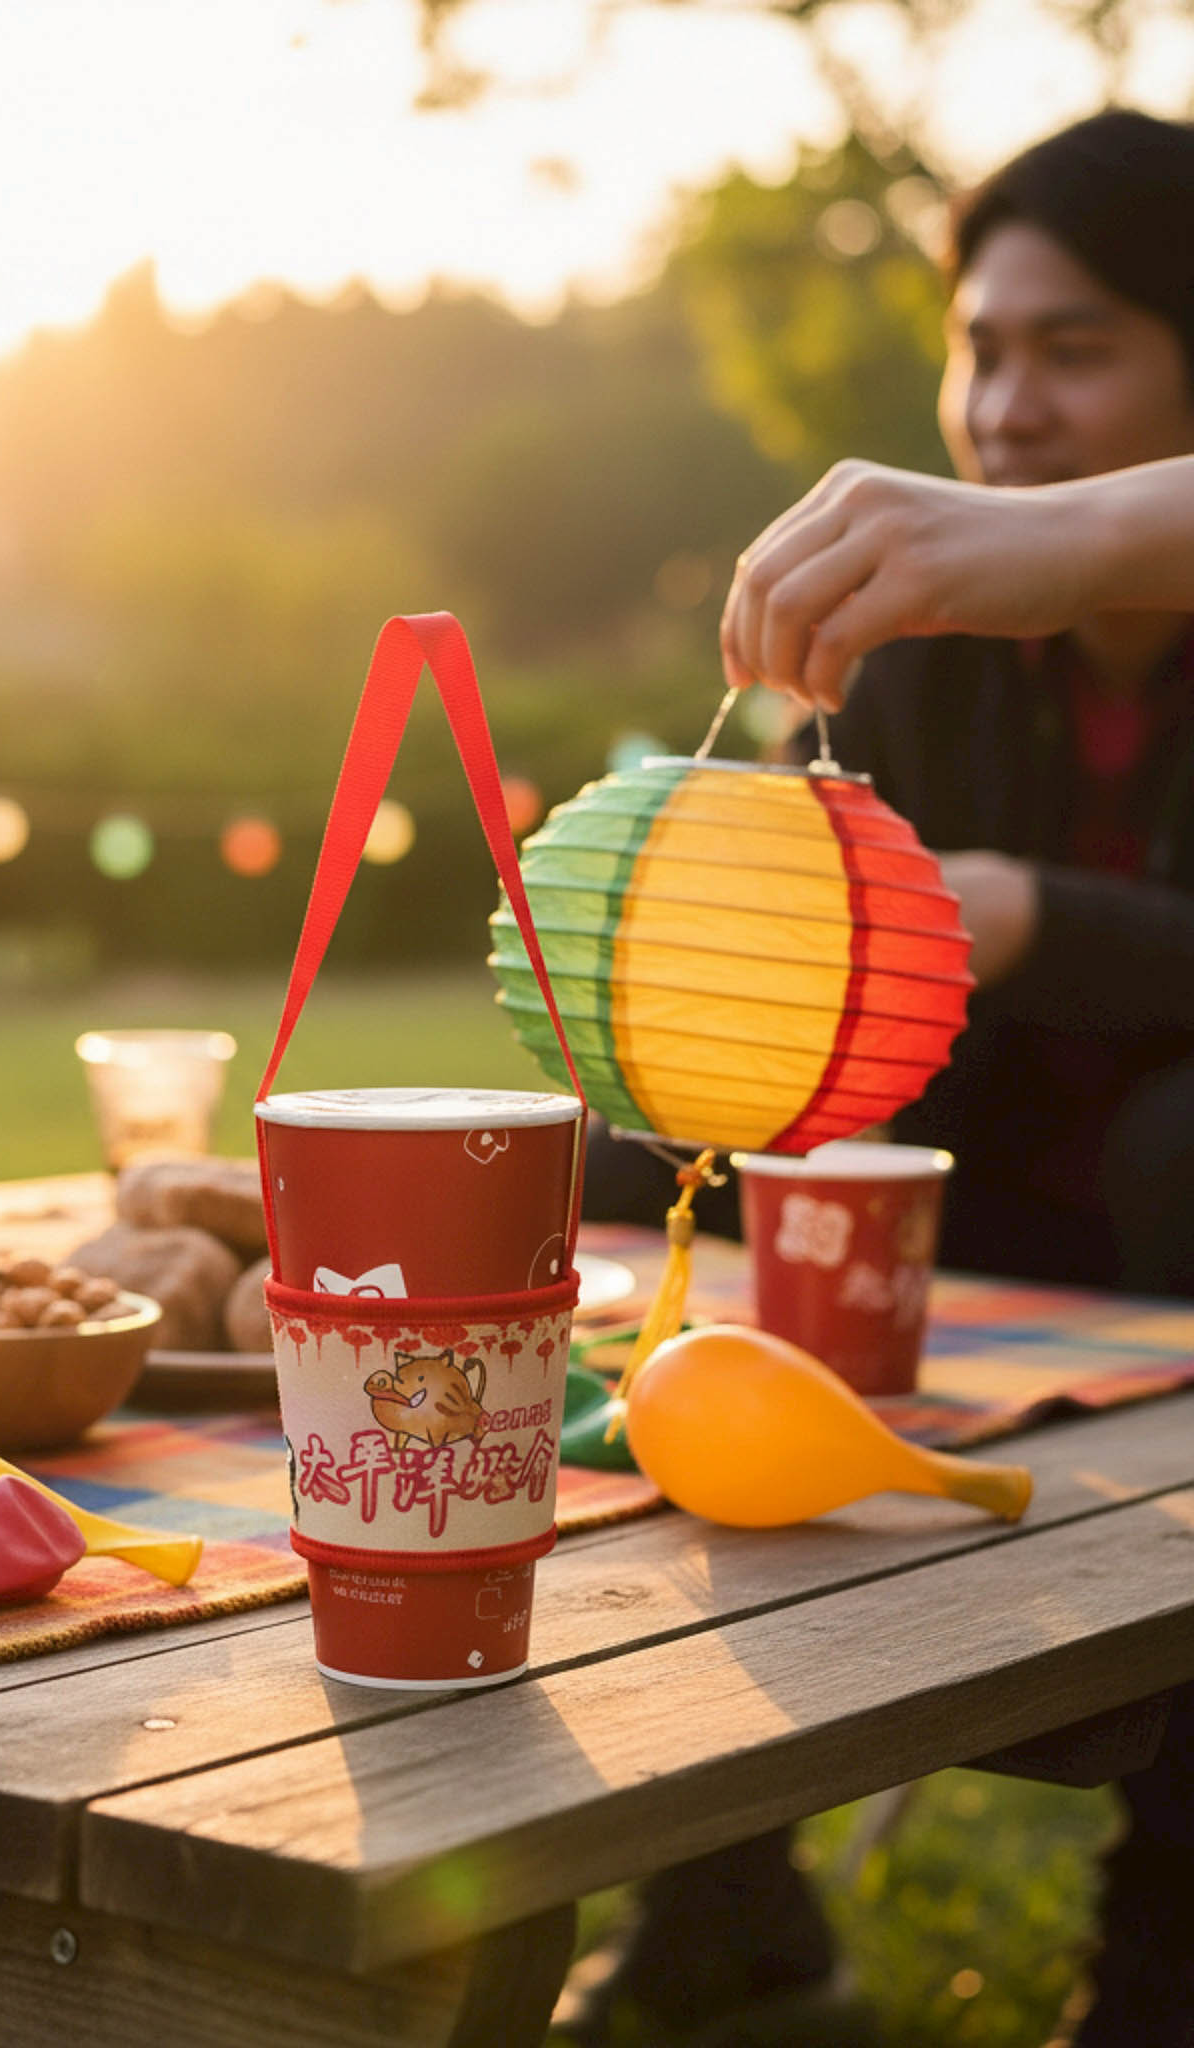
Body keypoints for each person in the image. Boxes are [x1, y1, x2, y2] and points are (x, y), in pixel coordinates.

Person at [563, 109, 1194, 2046]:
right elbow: (859, 1009)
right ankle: (724, 1906)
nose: (1001, 408)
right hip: (983, 1189)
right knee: (639, 1155)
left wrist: (1030, 910)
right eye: (978, 348)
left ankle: (1161, 1964)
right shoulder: (915, 649)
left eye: (1071, 347)